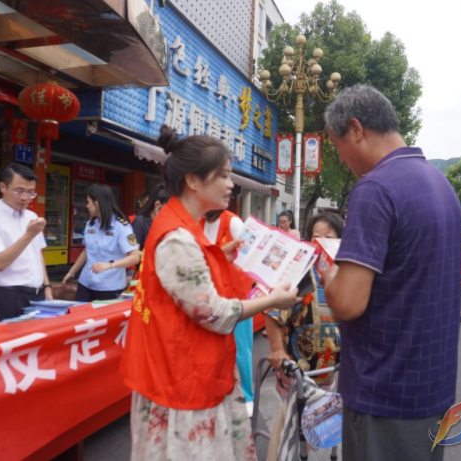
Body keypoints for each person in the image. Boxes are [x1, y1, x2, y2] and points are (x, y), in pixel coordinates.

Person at [121, 126, 300, 460]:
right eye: (224, 175)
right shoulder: (179, 238)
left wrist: (221, 255)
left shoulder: (180, 226)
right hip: (183, 379)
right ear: (193, 181)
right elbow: (214, 313)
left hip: (176, 370)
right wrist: (273, 300)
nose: (231, 184)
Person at [321, 84, 461, 461]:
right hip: (433, 390)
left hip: (383, 393)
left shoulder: (375, 189)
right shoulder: (441, 184)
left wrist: (327, 274)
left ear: (355, 129)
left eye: (338, 148)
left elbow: (348, 303)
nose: (343, 160)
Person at [266, 212, 344, 397]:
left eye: (329, 237)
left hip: (329, 374)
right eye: (316, 237)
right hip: (297, 375)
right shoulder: (299, 272)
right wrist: (277, 350)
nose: (322, 242)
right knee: (294, 422)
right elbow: (273, 312)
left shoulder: (347, 273)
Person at [0, 163, 52, 320]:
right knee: (8, 343)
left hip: (38, 295)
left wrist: (47, 287)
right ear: (3, 187)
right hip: (8, 296)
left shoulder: (31, 217)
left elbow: (38, 254)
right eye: (19, 191)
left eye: (30, 192)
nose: (24, 198)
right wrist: (28, 236)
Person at [200, 208, 256, 417]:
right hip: (211, 296)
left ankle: (248, 396)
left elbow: (252, 254)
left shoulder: (232, 222)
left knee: (240, 349)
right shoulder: (198, 222)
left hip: (236, 295)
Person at [61, 184, 140, 302]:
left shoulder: (122, 227)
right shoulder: (90, 224)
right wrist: (71, 272)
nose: (87, 206)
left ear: (97, 203)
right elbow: (86, 251)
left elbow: (134, 257)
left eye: (88, 202)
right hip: (85, 283)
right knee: (79, 316)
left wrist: (110, 265)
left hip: (109, 288)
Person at [132, 183, 169, 250]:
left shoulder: (164, 225)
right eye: (169, 209)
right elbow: (133, 253)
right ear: (157, 205)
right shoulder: (140, 222)